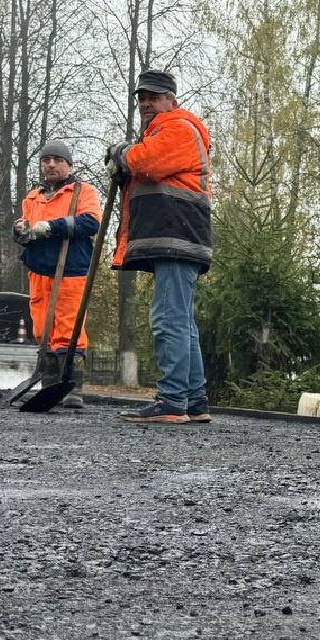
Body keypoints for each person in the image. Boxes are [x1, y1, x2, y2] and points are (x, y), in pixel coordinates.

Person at [105, 70, 213, 425]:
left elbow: (144, 161)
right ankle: (193, 400)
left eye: (154, 97)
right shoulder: (164, 131)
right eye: (142, 98)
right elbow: (142, 166)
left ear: (171, 99)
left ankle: (172, 400)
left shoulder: (179, 127)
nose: (147, 104)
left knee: (169, 319)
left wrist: (121, 153)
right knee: (182, 320)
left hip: (178, 237)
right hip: (177, 239)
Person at [13, 140, 100, 410]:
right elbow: (26, 230)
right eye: (46, 160)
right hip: (39, 271)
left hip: (70, 270)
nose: (50, 164)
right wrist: (20, 232)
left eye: (57, 160)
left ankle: (73, 388)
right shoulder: (32, 197)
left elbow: (91, 222)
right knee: (42, 330)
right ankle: (49, 387)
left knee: (69, 329)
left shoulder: (82, 192)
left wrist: (51, 227)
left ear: (68, 165)